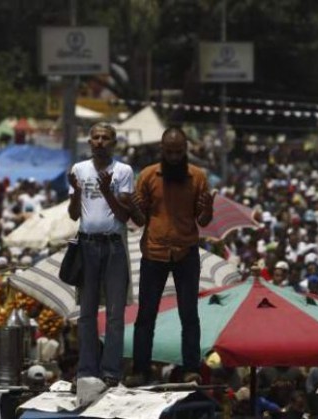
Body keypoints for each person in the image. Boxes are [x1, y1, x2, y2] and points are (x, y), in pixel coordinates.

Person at [126, 127, 213, 386]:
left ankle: (190, 368)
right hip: (154, 252)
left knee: (189, 315)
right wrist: (132, 206)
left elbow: (204, 221)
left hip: (186, 252)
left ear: (186, 151)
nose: (174, 157)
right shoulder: (148, 175)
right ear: (162, 150)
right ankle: (141, 369)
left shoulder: (197, 177)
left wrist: (208, 210)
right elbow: (139, 220)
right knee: (146, 315)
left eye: (179, 152)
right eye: (169, 152)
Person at [67, 122, 134, 387]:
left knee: (115, 314)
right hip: (87, 245)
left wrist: (107, 192)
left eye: (105, 138)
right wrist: (76, 194)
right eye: (95, 137)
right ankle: (86, 370)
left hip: (114, 245)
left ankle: (111, 371)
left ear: (114, 143)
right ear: (89, 142)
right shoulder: (79, 170)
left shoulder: (123, 171)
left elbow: (125, 215)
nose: (100, 142)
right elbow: (74, 214)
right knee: (87, 314)